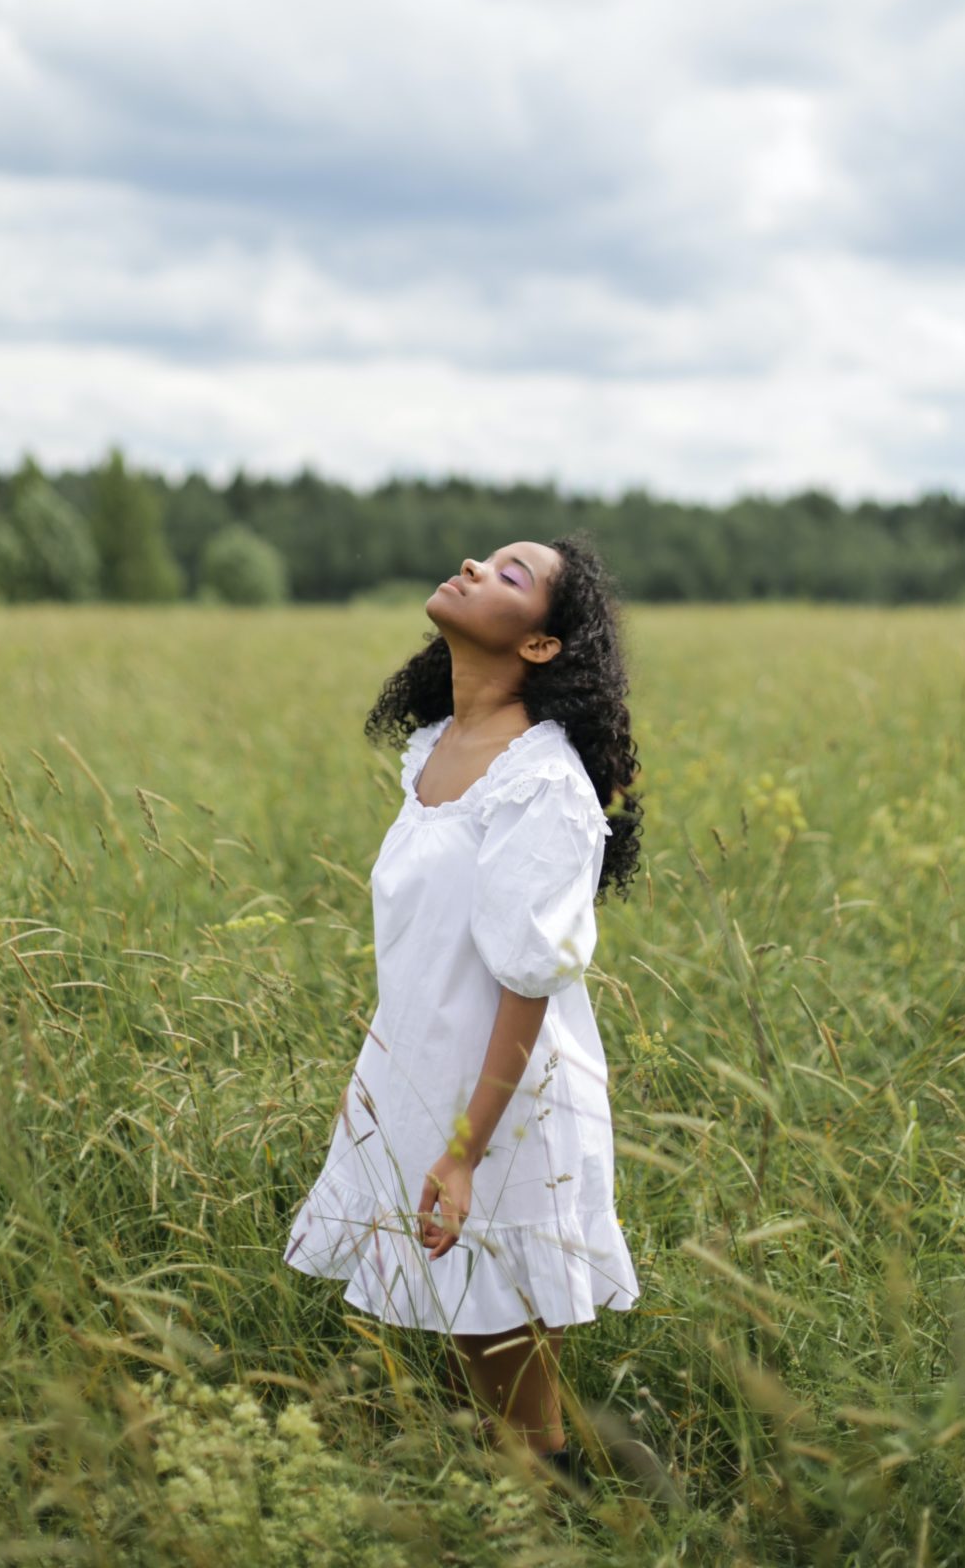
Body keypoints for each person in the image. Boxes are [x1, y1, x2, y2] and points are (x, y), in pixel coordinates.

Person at [283, 531, 643, 1486]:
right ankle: (549, 1487)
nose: (477, 567)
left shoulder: (544, 783)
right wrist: (377, 1080)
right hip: (428, 1069)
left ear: (538, 646)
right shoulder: (436, 748)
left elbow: (528, 981)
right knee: (474, 1332)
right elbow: (422, 947)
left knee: (505, 1343)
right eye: (485, 558)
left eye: (510, 575)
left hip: (503, 1095)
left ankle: (568, 1502)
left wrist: (463, 1150)